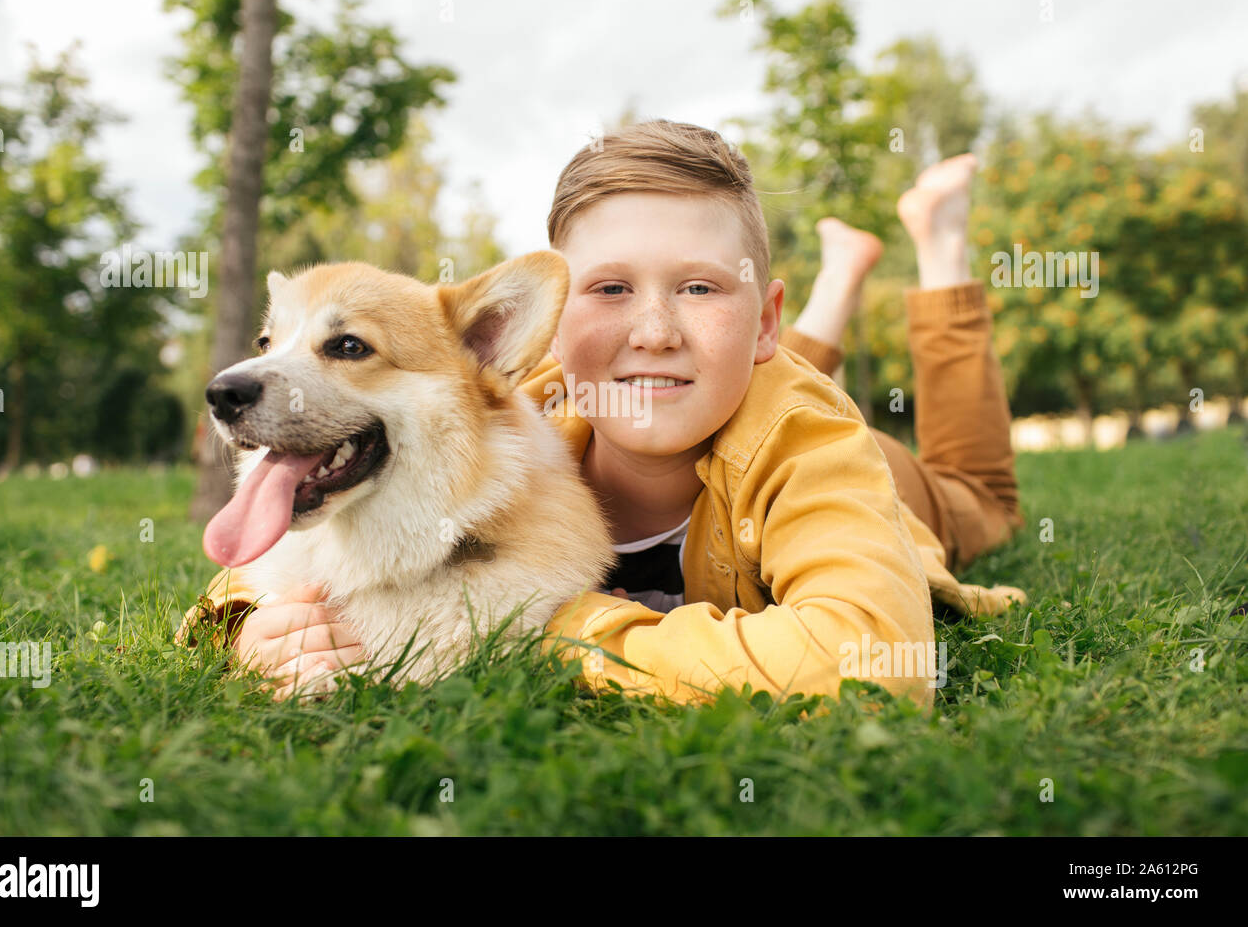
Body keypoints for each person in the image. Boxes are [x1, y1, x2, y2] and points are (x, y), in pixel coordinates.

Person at [177, 121, 1025, 709]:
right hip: (734, 375)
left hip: (884, 473)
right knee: (697, 368)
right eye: (610, 288)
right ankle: (836, 279)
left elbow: (870, 669)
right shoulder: (516, 399)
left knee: (978, 491)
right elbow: (264, 560)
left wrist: (563, 632)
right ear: (554, 322)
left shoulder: (812, 442)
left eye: (698, 286)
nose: (651, 330)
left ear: (762, 315)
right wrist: (251, 626)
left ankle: (938, 244)